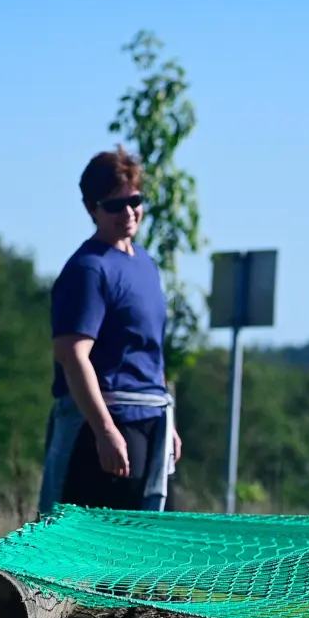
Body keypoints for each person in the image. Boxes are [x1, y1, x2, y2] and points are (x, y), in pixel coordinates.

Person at [37, 147, 181, 516]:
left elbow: (150, 352)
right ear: (91, 208)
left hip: (151, 421)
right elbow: (73, 355)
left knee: (144, 553)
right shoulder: (88, 270)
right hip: (104, 428)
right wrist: (104, 431)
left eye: (135, 200)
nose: (128, 212)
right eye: (114, 206)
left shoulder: (145, 262)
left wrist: (170, 426)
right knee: (91, 556)